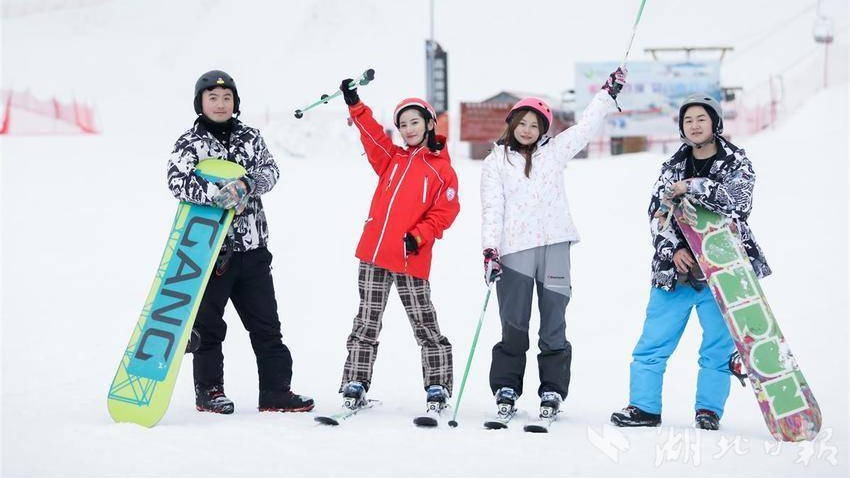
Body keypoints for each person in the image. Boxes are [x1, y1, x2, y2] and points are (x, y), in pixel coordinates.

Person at [610, 93, 771, 430]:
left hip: (723, 272)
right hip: (676, 272)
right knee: (652, 343)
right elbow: (658, 214)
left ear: (715, 123)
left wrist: (691, 186)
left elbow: (736, 203)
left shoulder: (736, 163)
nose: (695, 125)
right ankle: (643, 407)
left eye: (701, 118)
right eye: (688, 120)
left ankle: (708, 411)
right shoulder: (671, 166)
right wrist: (673, 251)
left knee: (716, 347)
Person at [480, 67, 626, 419]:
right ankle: (507, 387)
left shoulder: (555, 152)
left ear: (544, 130)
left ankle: (552, 390)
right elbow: (491, 208)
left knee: (553, 323)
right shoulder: (495, 161)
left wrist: (607, 95)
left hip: (555, 246)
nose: (528, 130)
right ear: (512, 124)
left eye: (535, 125)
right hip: (514, 251)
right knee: (514, 323)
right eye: (523, 123)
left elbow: (586, 127)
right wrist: (490, 251)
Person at [167, 69, 314, 414]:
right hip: (210, 251)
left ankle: (276, 391)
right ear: (200, 103)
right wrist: (216, 193)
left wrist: (247, 184)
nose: (220, 104)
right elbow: (176, 180)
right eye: (212, 98)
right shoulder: (190, 143)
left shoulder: (251, 136)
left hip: (253, 250)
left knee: (267, 326)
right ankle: (210, 391)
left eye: (227, 97)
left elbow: (271, 170)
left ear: (235, 102)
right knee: (209, 327)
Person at [335, 77, 460, 415]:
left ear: (430, 124)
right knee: (366, 321)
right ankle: (355, 381)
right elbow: (373, 135)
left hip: (410, 257)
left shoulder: (442, 171)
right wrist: (355, 104)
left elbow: (445, 212)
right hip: (374, 255)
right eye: (403, 125)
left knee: (424, 322)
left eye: (414, 122)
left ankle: (438, 384)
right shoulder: (392, 159)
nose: (408, 129)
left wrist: (418, 235)